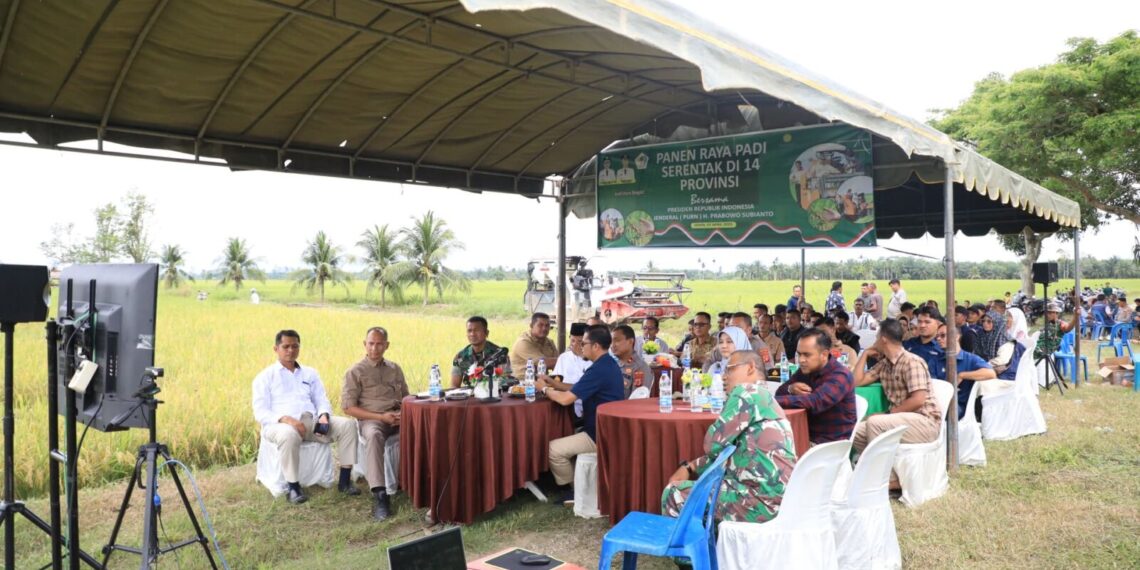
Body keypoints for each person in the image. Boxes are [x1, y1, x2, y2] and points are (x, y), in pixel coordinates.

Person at [662, 350, 797, 523]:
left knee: (674, 492)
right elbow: (730, 455)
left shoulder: (746, 392)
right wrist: (690, 467)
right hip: (783, 502)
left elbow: (712, 445)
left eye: (730, 369)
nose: (724, 376)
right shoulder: (766, 398)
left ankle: (693, 550)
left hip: (760, 503)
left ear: (750, 368)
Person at [252, 330, 360, 505]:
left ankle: (345, 481)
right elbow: (260, 412)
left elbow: (321, 399)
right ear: (276, 348)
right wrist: (288, 420)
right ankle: (293, 488)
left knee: (348, 425)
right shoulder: (265, 377)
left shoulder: (310, 373)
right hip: (278, 426)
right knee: (288, 434)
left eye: (295, 346)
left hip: (310, 420)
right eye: (285, 346)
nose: (290, 350)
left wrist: (324, 415)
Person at [537, 327, 624, 504]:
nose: (579, 347)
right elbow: (578, 388)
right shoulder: (606, 364)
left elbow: (566, 400)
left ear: (596, 346)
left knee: (553, 449)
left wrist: (544, 389)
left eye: (583, 343)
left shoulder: (598, 369)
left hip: (600, 434)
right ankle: (579, 486)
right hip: (606, 428)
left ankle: (574, 492)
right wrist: (553, 382)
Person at [341, 327, 409, 520]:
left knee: (422, 427)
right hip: (372, 420)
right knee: (373, 435)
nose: (375, 348)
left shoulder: (395, 368)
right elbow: (348, 408)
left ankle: (418, 482)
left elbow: (406, 397)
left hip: (396, 417)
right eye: (371, 343)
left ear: (386, 345)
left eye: (379, 344)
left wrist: (403, 414)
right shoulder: (355, 371)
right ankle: (380, 495)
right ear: (365, 344)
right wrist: (381, 417)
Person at [852, 320, 942, 454]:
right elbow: (856, 381)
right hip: (899, 420)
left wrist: (887, 414)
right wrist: (865, 354)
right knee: (856, 431)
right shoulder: (885, 364)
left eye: (876, 338)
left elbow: (918, 400)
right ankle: (881, 468)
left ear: (883, 340)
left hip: (924, 422)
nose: (874, 342)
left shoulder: (911, 362)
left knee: (875, 423)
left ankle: (884, 473)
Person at [774, 329, 856, 443]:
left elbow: (815, 401)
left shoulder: (840, 376)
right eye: (799, 354)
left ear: (824, 355)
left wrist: (769, 401)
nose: (801, 360)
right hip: (805, 436)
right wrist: (790, 388)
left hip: (827, 444)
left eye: (807, 355)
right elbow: (780, 392)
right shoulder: (807, 370)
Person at [930, 323, 994, 419]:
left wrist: (962, 375)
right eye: (937, 336)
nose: (938, 339)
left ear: (956, 336)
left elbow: (991, 373)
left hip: (959, 406)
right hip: (937, 402)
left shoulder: (970, 358)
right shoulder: (935, 361)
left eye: (943, 335)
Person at [541, 323, 592, 420]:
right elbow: (556, 380)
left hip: (583, 408)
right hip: (562, 403)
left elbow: (581, 387)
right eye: (572, 340)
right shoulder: (564, 357)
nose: (575, 345)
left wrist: (582, 356)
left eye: (580, 342)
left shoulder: (594, 360)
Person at [450, 316, 510, 388]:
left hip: (493, 395)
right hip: (469, 397)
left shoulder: (499, 354)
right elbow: (454, 386)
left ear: (486, 333)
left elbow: (506, 382)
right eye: (469, 331)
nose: (472, 334)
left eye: (477, 330)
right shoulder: (460, 357)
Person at [510, 312, 559, 379]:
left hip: (543, 382)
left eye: (547, 325)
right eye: (540, 325)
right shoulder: (523, 342)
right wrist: (565, 360)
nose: (544, 328)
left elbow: (557, 365)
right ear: (531, 326)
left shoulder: (549, 342)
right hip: (522, 383)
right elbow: (543, 362)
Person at [611, 325, 653, 397]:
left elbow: (636, 402)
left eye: (617, 340)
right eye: (611, 341)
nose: (612, 345)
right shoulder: (612, 364)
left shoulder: (640, 368)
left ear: (630, 341)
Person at [903, 307, 945, 377]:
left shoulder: (942, 348)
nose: (922, 325)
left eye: (927, 322)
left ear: (938, 324)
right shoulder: (907, 344)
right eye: (919, 322)